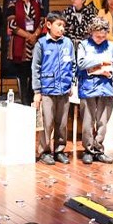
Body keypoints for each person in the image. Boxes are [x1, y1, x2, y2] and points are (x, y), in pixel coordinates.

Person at [32, 12, 75, 165]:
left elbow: (73, 65)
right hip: (47, 90)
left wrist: (71, 83)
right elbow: (35, 68)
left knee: (62, 123)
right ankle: (44, 151)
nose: (62, 28)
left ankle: (59, 150)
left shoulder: (68, 43)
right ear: (49, 25)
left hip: (64, 89)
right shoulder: (41, 44)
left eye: (63, 25)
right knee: (47, 122)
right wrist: (37, 91)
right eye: (58, 25)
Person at [76, 17, 113, 164]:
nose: (100, 39)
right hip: (88, 87)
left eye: (103, 36)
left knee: (103, 121)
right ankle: (88, 150)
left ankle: (99, 149)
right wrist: (100, 61)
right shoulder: (83, 45)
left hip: (105, 87)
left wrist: (111, 72)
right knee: (87, 121)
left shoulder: (111, 46)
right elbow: (81, 63)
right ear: (91, 33)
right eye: (97, 36)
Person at [6, 0, 43, 106]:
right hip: (19, 42)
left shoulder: (37, 4)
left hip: (35, 42)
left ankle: (32, 99)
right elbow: (11, 24)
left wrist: (34, 35)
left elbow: (42, 22)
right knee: (22, 74)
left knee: (34, 72)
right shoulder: (13, 4)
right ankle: (24, 101)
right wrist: (28, 36)